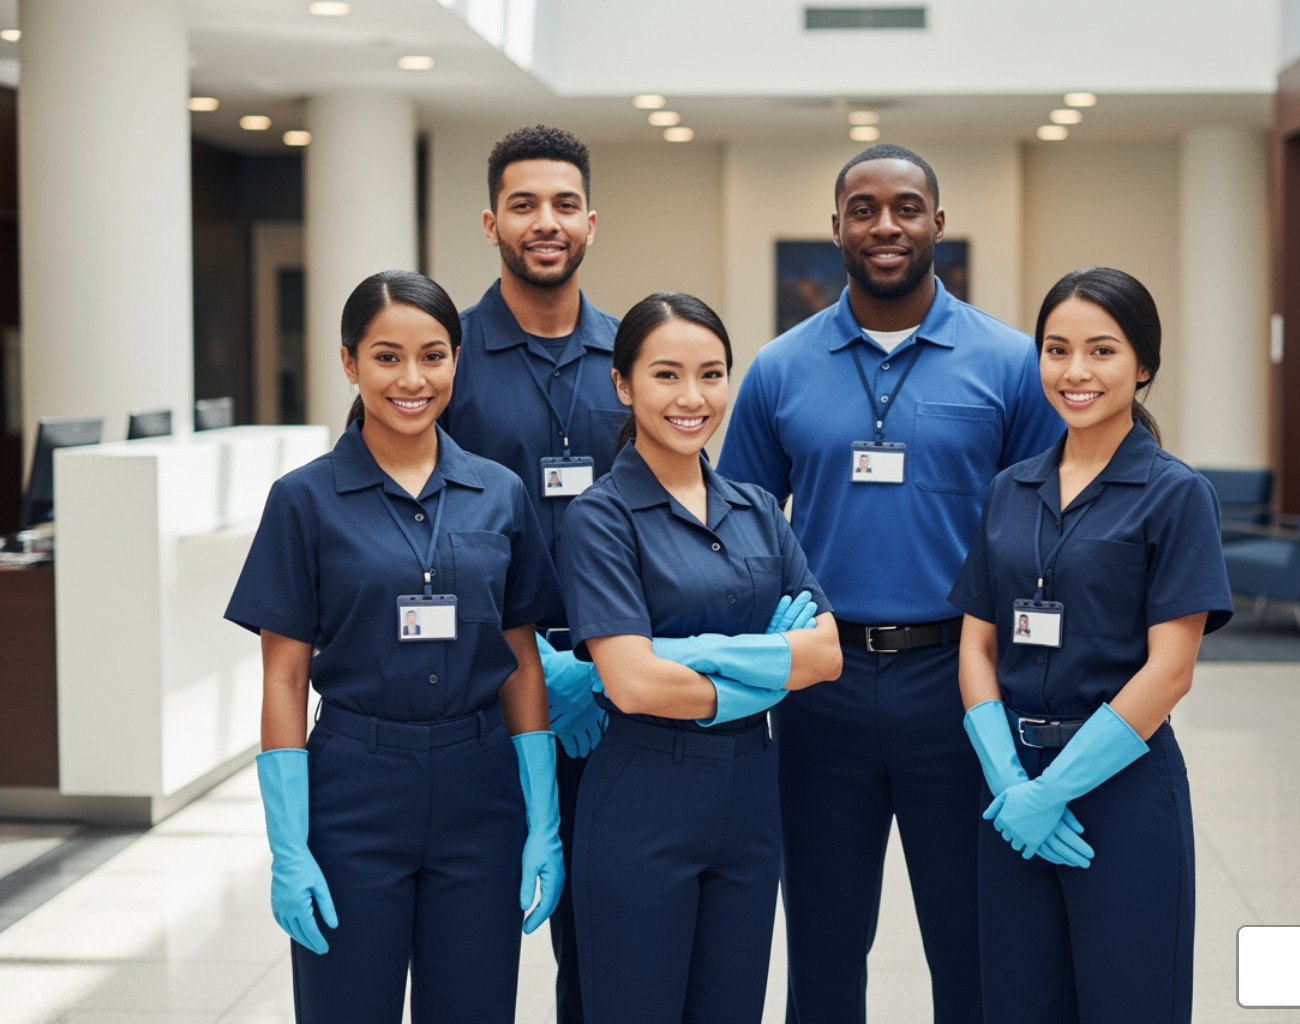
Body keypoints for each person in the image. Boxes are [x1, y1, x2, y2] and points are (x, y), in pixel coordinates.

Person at [718, 143, 1063, 1024]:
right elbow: (744, 533)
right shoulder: (779, 369)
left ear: (937, 224)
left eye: (905, 208)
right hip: (820, 689)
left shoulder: (1010, 362)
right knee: (825, 948)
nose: (885, 226)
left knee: (972, 939)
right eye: (863, 209)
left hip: (957, 683)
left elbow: (1039, 535)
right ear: (835, 226)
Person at [226, 270, 565, 1022]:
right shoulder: (303, 500)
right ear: (349, 363)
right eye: (387, 357)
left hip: (481, 790)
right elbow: (283, 680)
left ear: (456, 360)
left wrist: (542, 821)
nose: (412, 379)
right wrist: (289, 847)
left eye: (433, 356)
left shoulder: (500, 493)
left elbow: (521, 661)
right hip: (354, 787)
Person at [949, 266, 1233, 1023]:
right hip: (1010, 792)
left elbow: (1170, 671)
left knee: (1127, 1000)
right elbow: (977, 647)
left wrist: (1056, 789)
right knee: (1015, 1001)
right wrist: (1011, 783)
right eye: (1056, 349)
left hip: (1121, 789)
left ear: (1144, 366)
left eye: (1101, 351)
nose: (1075, 373)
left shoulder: (1176, 494)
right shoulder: (1011, 487)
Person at [560, 292, 844, 1024]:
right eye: (666, 375)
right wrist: (771, 666)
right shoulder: (599, 517)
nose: (693, 398)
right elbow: (630, 684)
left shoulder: (755, 509)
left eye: (712, 374)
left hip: (750, 801)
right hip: (641, 797)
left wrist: (702, 654)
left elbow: (827, 655)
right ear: (623, 385)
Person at [440, 123, 624, 1024]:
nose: (543, 222)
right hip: (475, 704)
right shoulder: (442, 360)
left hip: (614, 705)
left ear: (591, 221)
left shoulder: (639, 359)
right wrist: (526, 667)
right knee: (470, 949)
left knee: (603, 951)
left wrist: (595, 671)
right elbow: (396, 537)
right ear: (491, 223)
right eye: (523, 205)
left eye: (561, 204)